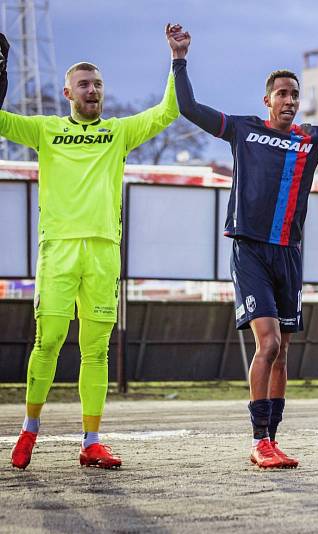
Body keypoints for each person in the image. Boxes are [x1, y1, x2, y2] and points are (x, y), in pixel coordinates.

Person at [168, 27, 318, 469]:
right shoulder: (243, 129)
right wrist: (179, 59)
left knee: (284, 350)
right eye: (282, 93)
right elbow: (188, 107)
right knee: (269, 342)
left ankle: (272, 439)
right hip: (251, 249)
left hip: (289, 254)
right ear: (267, 101)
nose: (289, 100)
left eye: (295, 94)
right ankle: (258, 440)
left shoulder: (311, 138)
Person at [8, 25, 181, 469]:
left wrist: (177, 60)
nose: (93, 90)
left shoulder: (118, 132)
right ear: (68, 91)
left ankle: (91, 441)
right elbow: (2, 120)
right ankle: (29, 431)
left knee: (96, 350)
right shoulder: (45, 130)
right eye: (84, 84)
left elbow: (167, 112)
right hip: (58, 249)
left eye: (98, 84)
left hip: (104, 251)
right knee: (47, 342)